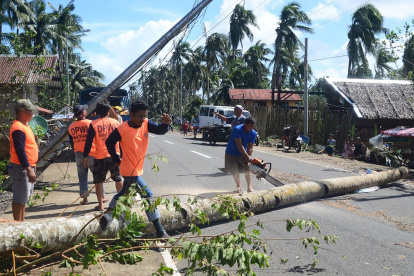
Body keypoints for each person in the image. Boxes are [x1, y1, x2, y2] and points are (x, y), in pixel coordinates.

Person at [105, 100, 171, 238]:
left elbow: (160, 130)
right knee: (147, 194)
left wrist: (165, 124)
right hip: (129, 169)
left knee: (123, 193)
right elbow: (109, 142)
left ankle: (107, 214)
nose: (143, 119)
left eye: (144, 115)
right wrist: (116, 159)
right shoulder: (122, 129)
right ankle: (160, 230)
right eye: (140, 116)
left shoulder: (146, 123)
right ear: (131, 115)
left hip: (137, 168)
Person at [83, 101, 123, 211]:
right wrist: (122, 155)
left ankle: (100, 206)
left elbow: (89, 142)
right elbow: (122, 139)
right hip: (114, 155)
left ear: (97, 112)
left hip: (100, 156)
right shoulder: (115, 123)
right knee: (117, 178)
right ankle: (120, 204)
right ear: (108, 112)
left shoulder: (93, 124)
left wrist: (85, 156)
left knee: (99, 181)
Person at [8, 99, 38, 221]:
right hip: (21, 168)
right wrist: (28, 169)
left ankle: (22, 221)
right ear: (23, 111)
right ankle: (17, 224)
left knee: (24, 198)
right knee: (19, 198)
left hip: (28, 166)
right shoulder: (18, 128)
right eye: (31, 111)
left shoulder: (24, 125)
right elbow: (20, 151)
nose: (32, 114)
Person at [68, 104, 95, 205]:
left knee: (82, 177)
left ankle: (84, 199)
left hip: (79, 154)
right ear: (83, 113)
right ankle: (101, 197)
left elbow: (72, 143)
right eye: (85, 110)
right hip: (92, 153)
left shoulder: (71, 127)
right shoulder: (91, 123)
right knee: (97, 176)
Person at [224, 117, 257, 193]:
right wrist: (246, 156)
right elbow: (239, 144)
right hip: (231, 152)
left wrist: (249, 158)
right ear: (245, 124)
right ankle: (238, 186)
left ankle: (249, 187)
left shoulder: (253, 133)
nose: (251, 128)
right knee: (234, 170)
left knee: (247, 169)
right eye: (250, 126)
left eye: (253, 126)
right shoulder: (237, 129)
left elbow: (250, 147)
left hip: (243, 152)